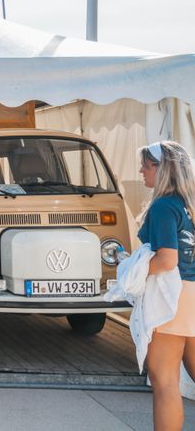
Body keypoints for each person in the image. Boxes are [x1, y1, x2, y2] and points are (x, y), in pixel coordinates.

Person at [137, 141, 195, 431]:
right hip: (191, 293)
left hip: (173, 296)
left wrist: (132, 270)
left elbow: (167, 260)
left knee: (165, 381)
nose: (141, 171)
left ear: (163, 169)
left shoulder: (163, 206)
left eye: (146, 166)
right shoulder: (189, 204)